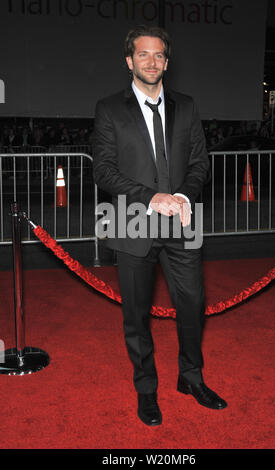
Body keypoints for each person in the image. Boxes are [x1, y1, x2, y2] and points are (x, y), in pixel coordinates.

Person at [92, 25, 227, 426]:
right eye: (143, 55)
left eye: (159, 55)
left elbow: (201, 163)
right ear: (129, 61)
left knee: (191, 305)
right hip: (133, 218)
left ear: (167, 62)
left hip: (183, 218)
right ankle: (146, 389)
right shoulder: (109, 108)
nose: (152, 62)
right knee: (136, 314)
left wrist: (182, 196)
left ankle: (191, 377)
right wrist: (151, 198)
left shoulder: (186, 106)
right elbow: (103, 171)